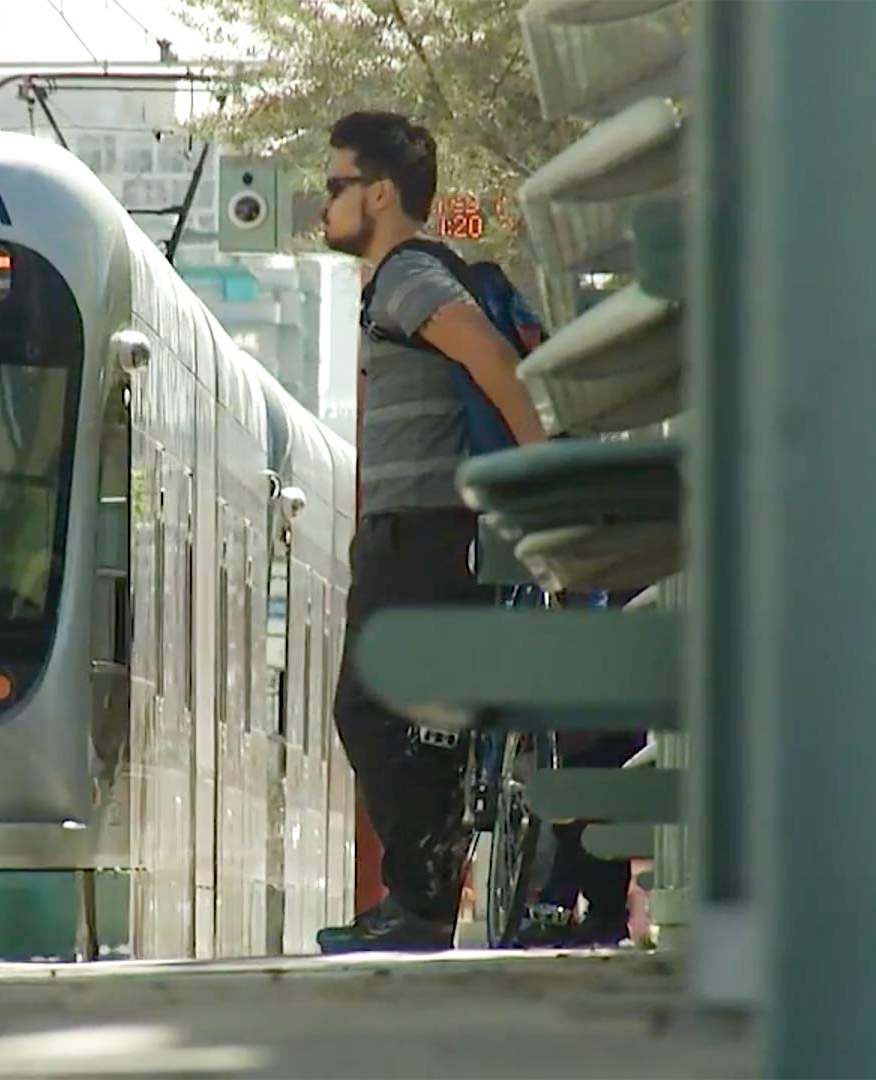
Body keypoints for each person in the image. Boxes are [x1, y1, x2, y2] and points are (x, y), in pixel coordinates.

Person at [316, 111, 547, 953]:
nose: (325, 202)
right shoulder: (396, 285)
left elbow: (491, 358)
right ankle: (418, 903)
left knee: (369, 713)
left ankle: (419, 904)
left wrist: (541, 471)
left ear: (380, 193)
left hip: (425, 530)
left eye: (337, 185)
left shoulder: (410, 278)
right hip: (413, 528)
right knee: (416, 723)